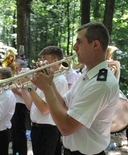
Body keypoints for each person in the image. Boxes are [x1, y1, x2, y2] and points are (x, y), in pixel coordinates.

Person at [31, 22, 119, 154]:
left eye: (79, 42)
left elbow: (66, 128)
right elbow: (65, 105)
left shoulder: (101, 83)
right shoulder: (87, 75)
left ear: (95, 45)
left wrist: (47, 89)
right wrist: (50, 83)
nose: (74, 47)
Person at [21, 46, 68, 155]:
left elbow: (44, 109)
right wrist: (24, 87)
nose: (41, 63)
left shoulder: (60, 80)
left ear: (55, 61)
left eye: (44, 59)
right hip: (37, 128)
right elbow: (30, 106)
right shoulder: (45, 79)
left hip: (48, 130)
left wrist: (29, 88)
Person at [11, 59, 30, 155]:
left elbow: (28, 93)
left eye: (17, 67)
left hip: (21, 105)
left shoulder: (26, 73)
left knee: (20, 130)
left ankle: (22, 152)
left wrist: (16, 91)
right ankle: (16, 151)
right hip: (14, 104)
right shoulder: (17, 75)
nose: (16, 69)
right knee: (14, 131)